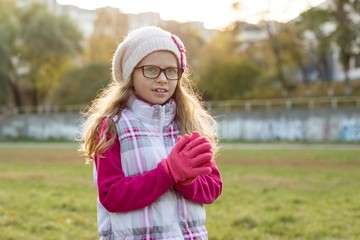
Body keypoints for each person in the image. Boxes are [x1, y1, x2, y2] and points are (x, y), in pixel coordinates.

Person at [80, 26, 222, 240]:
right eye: (151, 69)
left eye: (171, 70)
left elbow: (212, 189)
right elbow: (111, 196)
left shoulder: (189, 124)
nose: (163, 79)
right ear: (131, 74)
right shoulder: (112, 126)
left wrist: (186, 181)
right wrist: (168, 173)